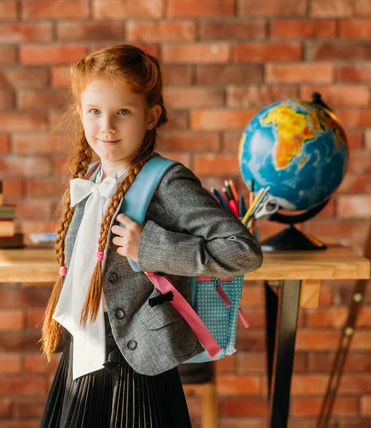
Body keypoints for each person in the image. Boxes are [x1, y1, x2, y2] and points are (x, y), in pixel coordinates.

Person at [39, 44, 263, 428]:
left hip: (136, 363)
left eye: (122, 111)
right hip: (83, 357)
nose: (106, 126)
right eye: (94, 112)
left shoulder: (167, 181)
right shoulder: (91, 178)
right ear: (81, 113)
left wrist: (152, 248)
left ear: (151, 116)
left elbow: (243, 251)